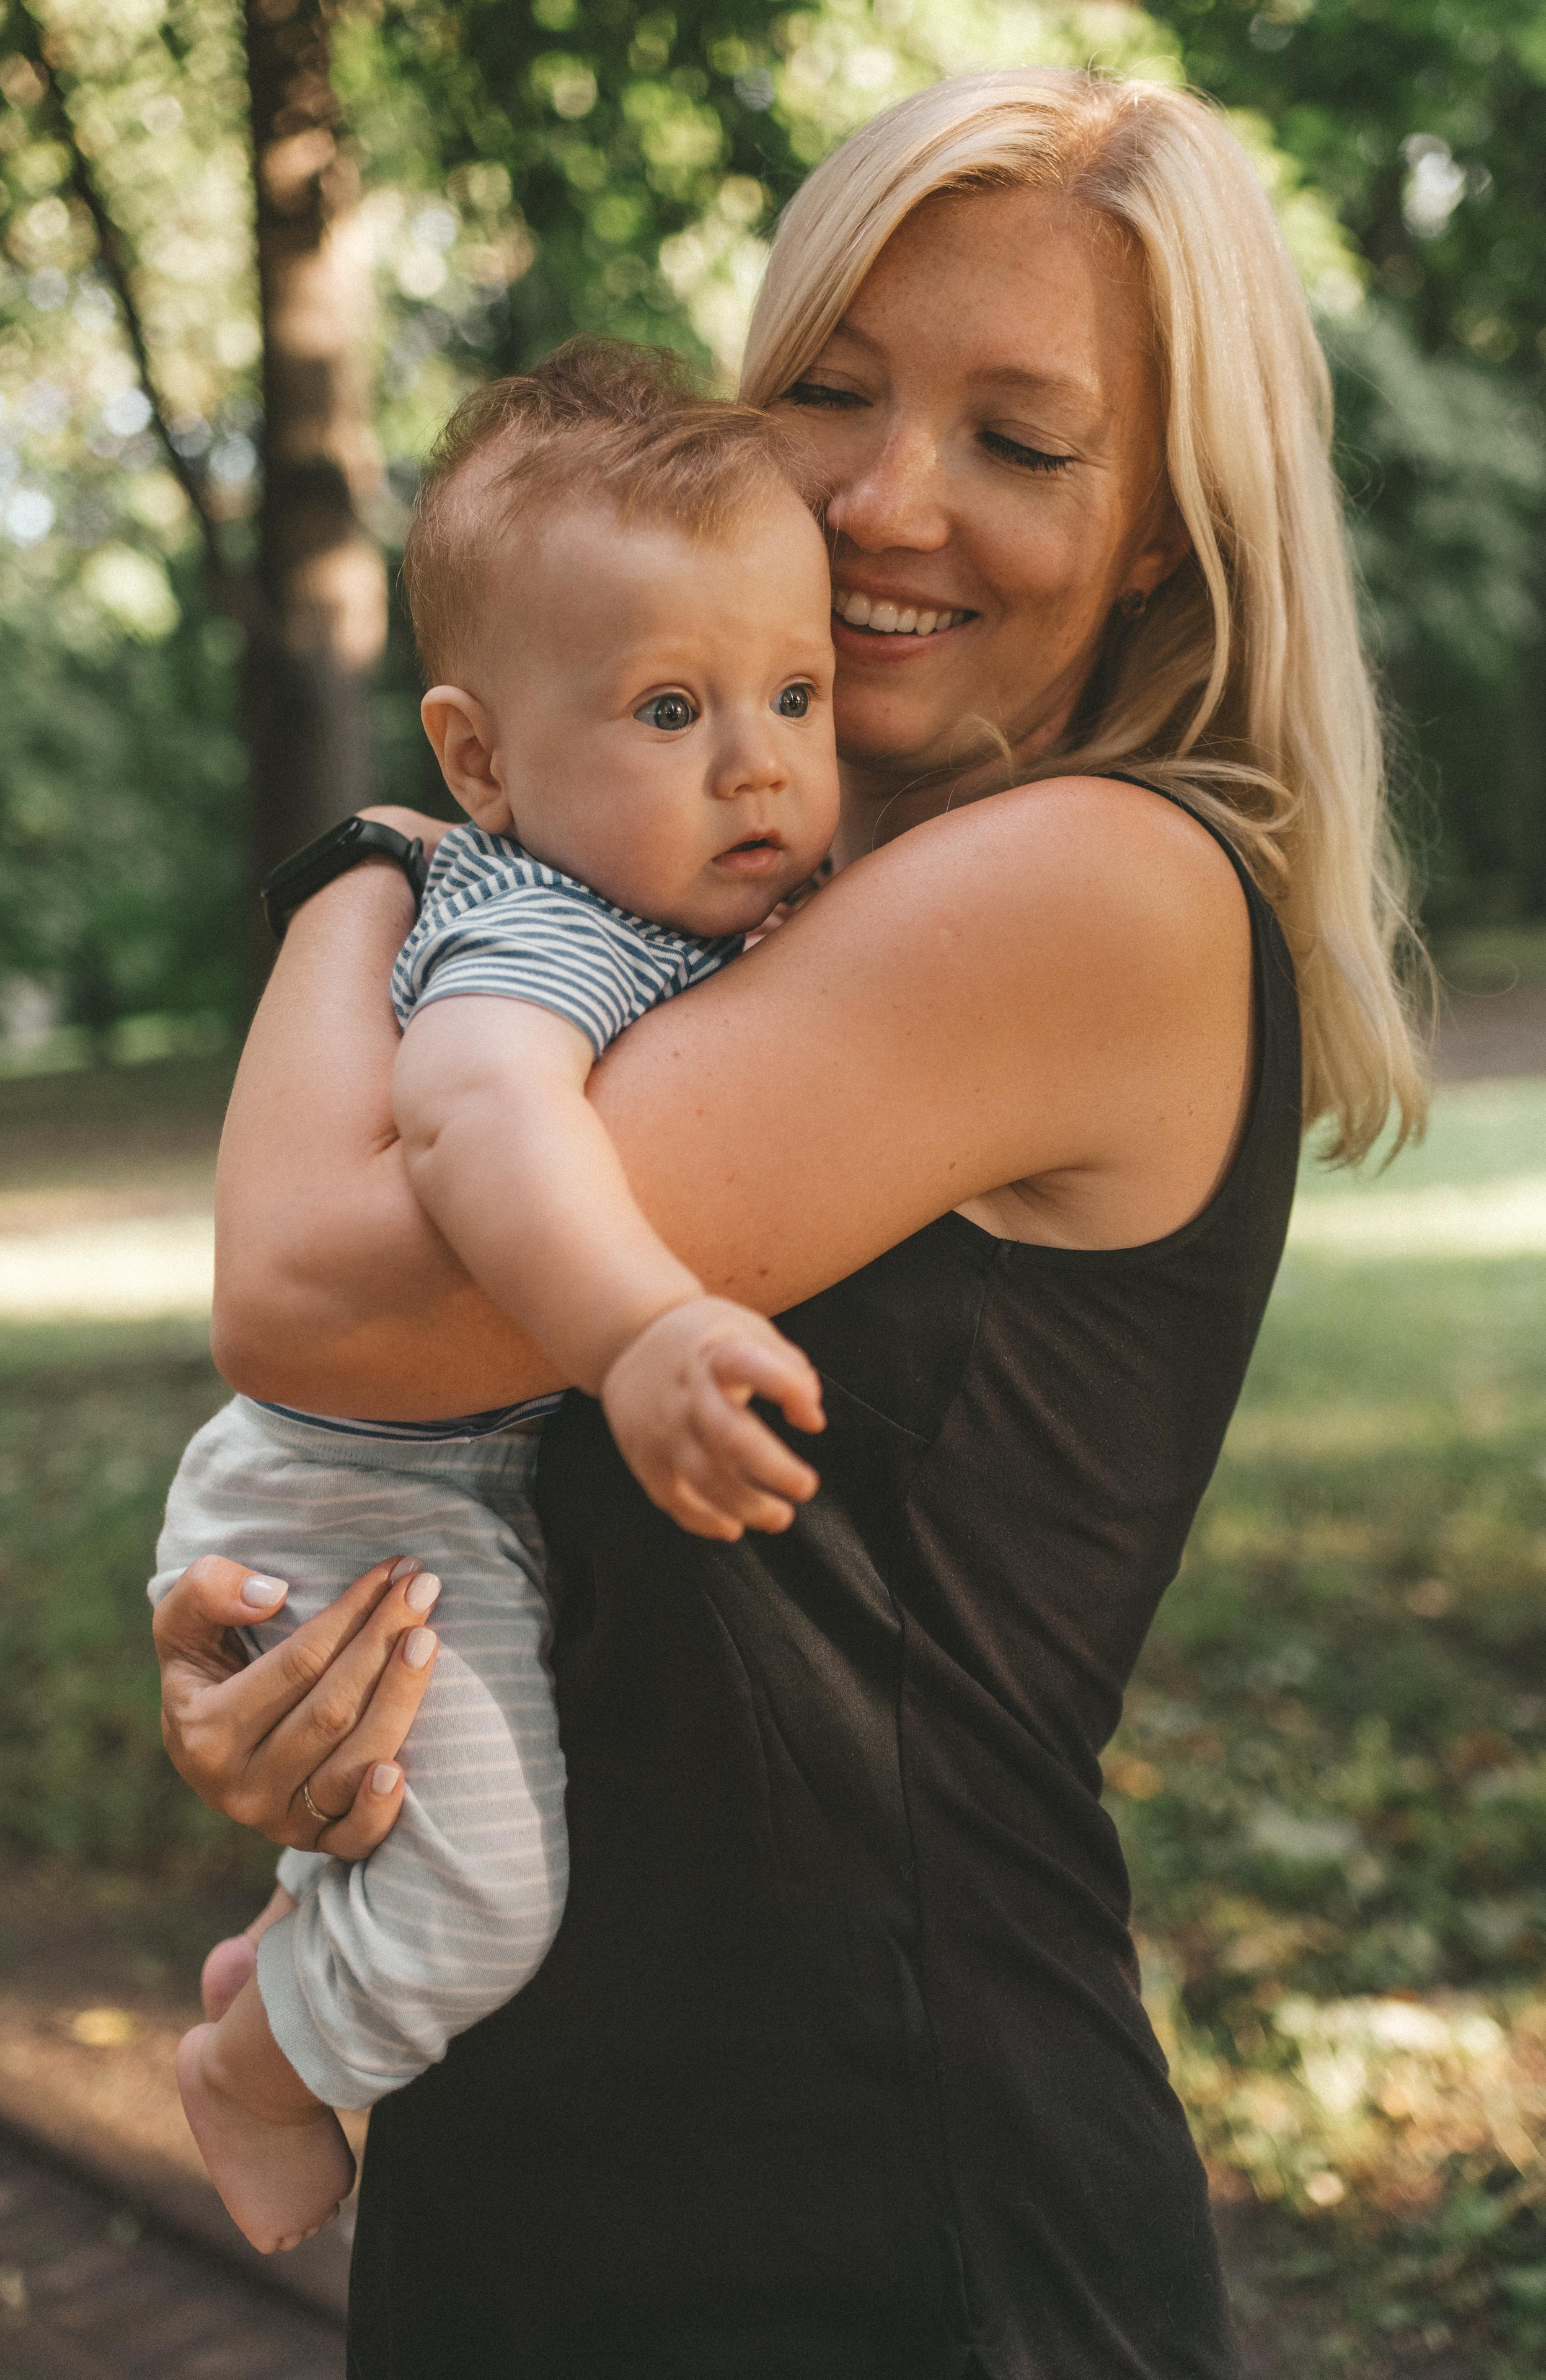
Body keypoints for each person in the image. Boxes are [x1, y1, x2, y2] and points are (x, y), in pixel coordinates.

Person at [152, 66, 1427, 2379]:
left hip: (869, 2214)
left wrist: (384, 870)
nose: (879, 498)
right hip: (537, 2145)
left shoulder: (1084, 888)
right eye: (826, 389)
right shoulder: (734, 899)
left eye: (1024, 442)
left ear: (1162, 528)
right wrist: (317, 1710)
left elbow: (308, 1291)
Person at [149, 345, 838, 2255]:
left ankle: (287, 1974)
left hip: (419, 1478)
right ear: (479, 762)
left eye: (797, 692)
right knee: (482, 1900)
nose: (759, 761)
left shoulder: (690, 884)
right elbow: (477, 1117)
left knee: (439, 1828)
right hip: (357, 1497)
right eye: (673, 708)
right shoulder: (540, 920)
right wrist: (634, 1329)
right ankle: (257, 2073)